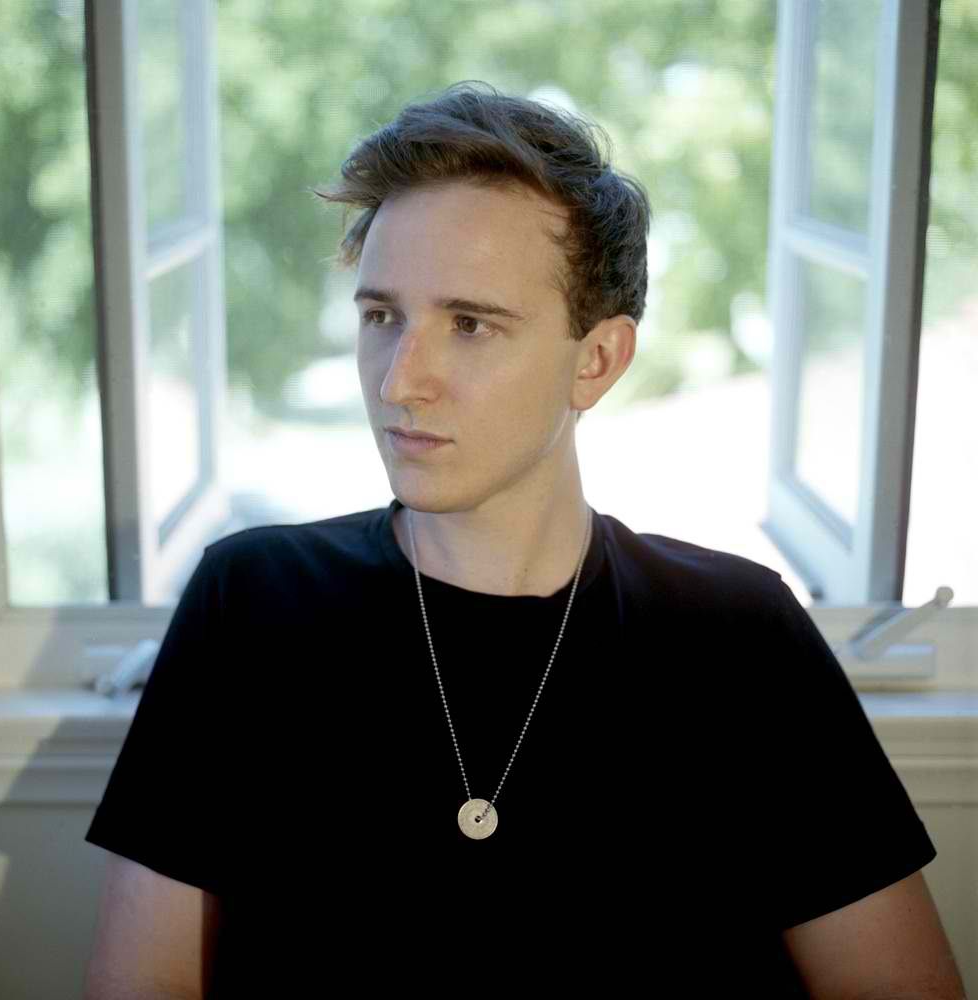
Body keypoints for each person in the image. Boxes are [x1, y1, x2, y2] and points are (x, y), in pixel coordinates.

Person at [83, 81, 966, 998]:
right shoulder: (251, 601)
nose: (398, 383)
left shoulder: (741, 634)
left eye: (469, 325)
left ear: (598, 360)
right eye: (381, 317)